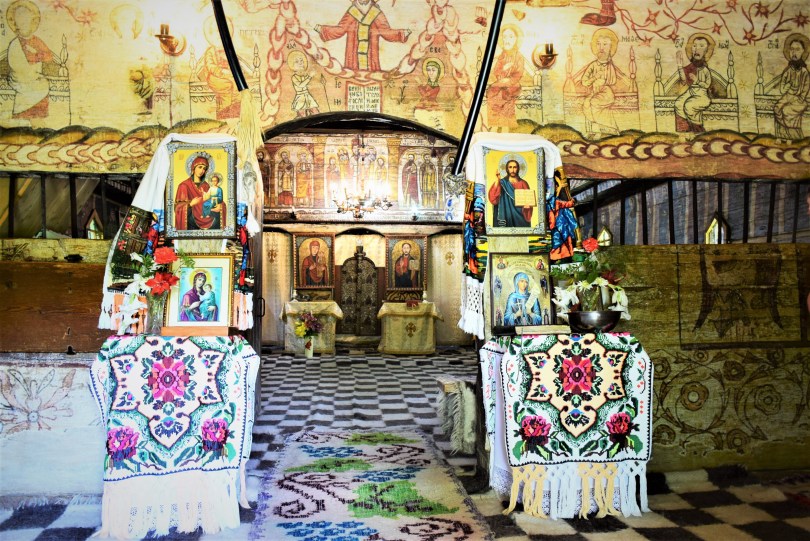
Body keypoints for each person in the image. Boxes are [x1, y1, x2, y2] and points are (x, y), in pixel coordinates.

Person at [315, 0, 411, 71]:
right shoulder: (352, 11)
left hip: (371, 53)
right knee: (352, 73)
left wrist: (404, 33)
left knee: (372, 75)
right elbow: (341, 29)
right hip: (353, 52)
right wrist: (321, 29)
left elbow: (385, 31)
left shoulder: (376, 12)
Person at [5, 0, 59, 122]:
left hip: (34, 76)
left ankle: (38, 119)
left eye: (26, 20)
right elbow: (16, 65)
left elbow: (48, 57)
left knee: (42, 84)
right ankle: (25, 119)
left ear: (32, 22)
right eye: (20, 21)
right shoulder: (15, 44)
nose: (24, 24)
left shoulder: (36, 41)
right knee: (35, 86)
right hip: (20, 78)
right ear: (15, 24)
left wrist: (37, 55)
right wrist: (33, 61)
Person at [581, 29, 621, 138]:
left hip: (606, 93)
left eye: (605, 44)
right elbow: (584, 82)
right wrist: (595, 77)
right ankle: (593, 130)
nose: (601, 48)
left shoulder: (610, 66)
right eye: (598, 44)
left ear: (611, 47)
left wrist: (603, 80)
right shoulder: (593, 65)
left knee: (594, 102)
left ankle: (602, 130)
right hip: (595, 92)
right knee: (586, 104)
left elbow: (613, 80)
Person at [486, 25, 525, 132]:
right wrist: (504, 68)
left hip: (513, 84)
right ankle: (495, 124)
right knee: (494, 92)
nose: (507, 40)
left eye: (511, 37)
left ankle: (505, 126)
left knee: (504, 94)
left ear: (516, 39)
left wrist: (509, 79)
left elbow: (519, 73)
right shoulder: (502, 56)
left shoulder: (518, 56)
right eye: (505, 37)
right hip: (501, 83)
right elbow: (496, 71)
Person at [674, 33, 715, 133]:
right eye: (694, 46)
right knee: (678, 103)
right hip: (691, 92)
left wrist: (696, 80)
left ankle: (698, 130)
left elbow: (707, 85)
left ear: (706, 51)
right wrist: (679, 65)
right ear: (691, 49)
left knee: (689, 106)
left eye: (701, 46)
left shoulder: (705, 70)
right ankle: (684, 130)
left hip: (702, 95)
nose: (697, 49)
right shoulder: (690, 67)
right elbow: (684, 80)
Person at [773, 34, 810, 140]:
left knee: (786, 110)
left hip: (799, 100)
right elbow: (782, 89)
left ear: (803, 51)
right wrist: (786, 87)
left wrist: (799, 98)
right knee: (777, 108)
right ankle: (782, 135)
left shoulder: (804, 72)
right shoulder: (788, 70)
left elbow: (806, 88)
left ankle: (792, 137)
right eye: (792, 49)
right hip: (787, 96)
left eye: (797, 50)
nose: (794, 53)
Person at [174, 154, 221, 231]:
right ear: (193, 168)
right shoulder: (184, 185)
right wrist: (190, 204)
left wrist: (219, 205)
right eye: (200, 167)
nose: (202, 171)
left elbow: (212, 200)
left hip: (207, 216)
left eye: (204, 168)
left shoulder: (206, 185)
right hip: (192, 220)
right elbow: (177, 208)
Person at [488, 158, 532, 228]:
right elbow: (493, 198)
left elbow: (529, 200)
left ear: (518, 169)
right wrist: (497, 180)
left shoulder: (523, 183)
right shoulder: (502, 183)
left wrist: (527, 207)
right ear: (507, 169)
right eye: (510, 167)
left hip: (520, 218)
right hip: (506, 215)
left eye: (515, 167)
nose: (512, 170)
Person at [288, 50, 320, 117]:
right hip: (300, 97)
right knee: (302, 115)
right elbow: (301, 85)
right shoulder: (294, 77)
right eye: (297, 62)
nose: (300, 63)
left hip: (307, 96)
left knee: (315, 112)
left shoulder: (304, 75)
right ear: (292, 65)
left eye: (301, 60)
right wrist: (309, 76)